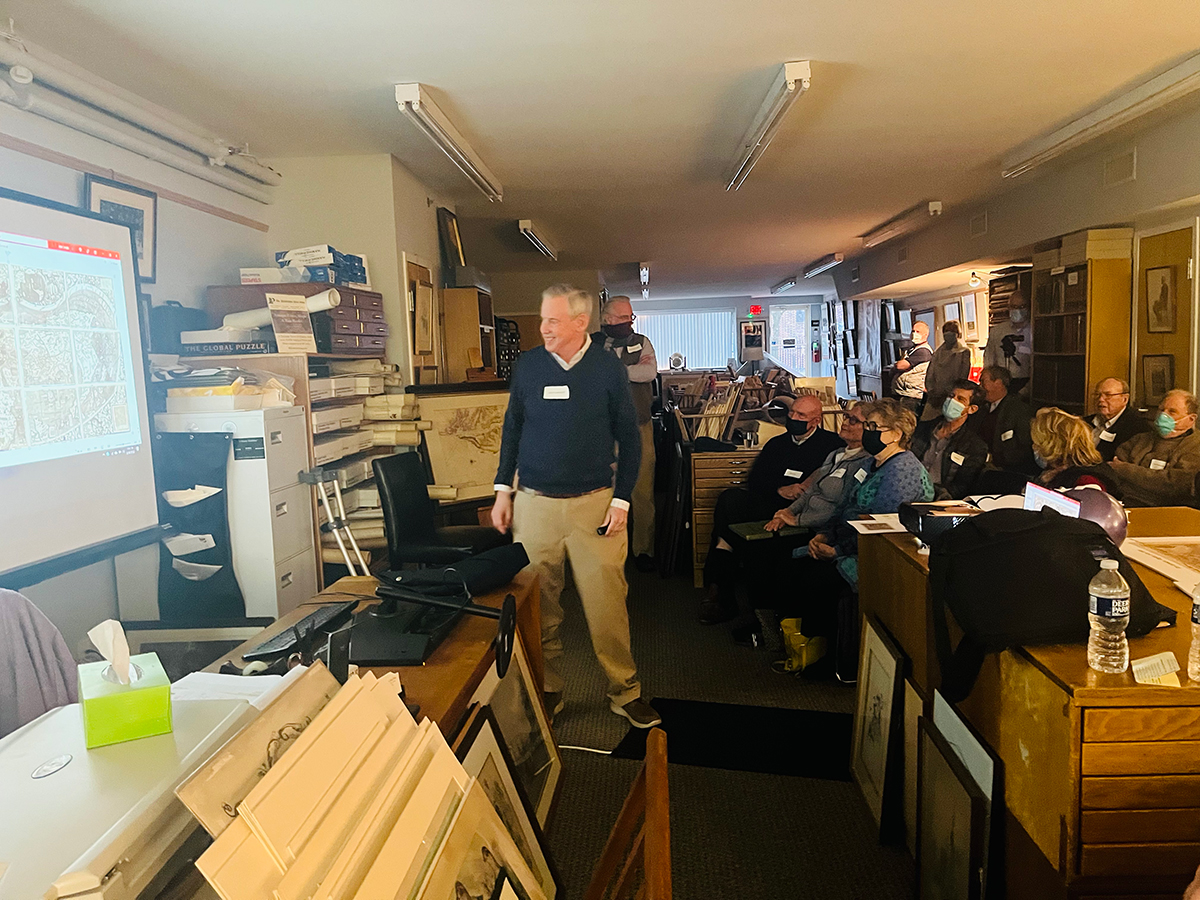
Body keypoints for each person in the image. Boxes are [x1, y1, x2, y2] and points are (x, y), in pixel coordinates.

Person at [491, 283, 660, 729]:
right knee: (539, 608)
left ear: (579, 322)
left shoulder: (606, 369)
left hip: (595, 507)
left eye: (552, 320)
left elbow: (630, 439)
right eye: (543, 318)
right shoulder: (528, 366)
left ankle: (625, 691)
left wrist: (622, 500)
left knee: (607, 607)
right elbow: (512, 429)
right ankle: (550, 689)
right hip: (534, 507)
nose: (543, 327)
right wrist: (502, 491)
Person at [755, 400, 934, 649]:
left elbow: (878, 527)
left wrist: (836, 551)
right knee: (787, 565)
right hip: (844, 540)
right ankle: (792, 642)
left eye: (874, 426)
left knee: (813, 578)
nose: (867, 432)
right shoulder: (869, 463)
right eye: (868, 425)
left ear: (896, 434)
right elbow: (843, 509)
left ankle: (821, 653)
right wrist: (825, 537)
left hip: (874, 554)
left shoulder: (902, 471)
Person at [699, 394, 844, 625]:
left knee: (724, 534)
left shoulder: (832, 445)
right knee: (729, 498)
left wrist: (798, 494)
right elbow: (756, 480)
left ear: (816, 421)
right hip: (770, 501)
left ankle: (720, 593)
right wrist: (780, 490)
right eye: (792, 413)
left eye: (801, 415)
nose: (793, 418)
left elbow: (826, 487)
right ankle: (723, 584)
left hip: (800, 511)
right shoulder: (777, 443)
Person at [596, 295, 658, 572]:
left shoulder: (642, 341)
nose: (628, 323)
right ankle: (607, 551)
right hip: (601, 432)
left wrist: (616, 371)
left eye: (630, 317)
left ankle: (643, 550)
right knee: (602, 492)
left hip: (639, 426)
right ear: (607, 319)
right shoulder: (593, 344)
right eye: (623, 318)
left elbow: (649, 373)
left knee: (642, 492)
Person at [764, 402, 872, 533]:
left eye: (853, 420)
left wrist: (796, 521)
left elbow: (842, 507)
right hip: (804, 519)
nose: (845, 423)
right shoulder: (836, 453)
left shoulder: (865, 462)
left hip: (821, 529)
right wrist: (785, 513)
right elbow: (810, 491)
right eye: (846, 417)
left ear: (870, 428)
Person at [1108, 389, 1200, 507]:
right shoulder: (1140, 439)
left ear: (1190, 419)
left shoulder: (1196, 446)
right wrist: (1152, 478)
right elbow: (1113, 469)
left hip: (1168, 511)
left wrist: (1125, 469)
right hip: (1124, 503)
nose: (1163, 415)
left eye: (1172, 412)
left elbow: (1175, 484)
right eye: (1161, 410)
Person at [910, 379, 989, 499]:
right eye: (951, 396)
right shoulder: (921, 429)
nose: (952, 401)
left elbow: (962, 486)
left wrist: (935, 493)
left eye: (960, 399)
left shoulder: (974, 446)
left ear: (971, 409)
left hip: (939, 501)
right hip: (909, 490)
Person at [1030, 406, 1123, 494]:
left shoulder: (1086, 482)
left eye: (1038, 443)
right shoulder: (1054, 473)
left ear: (1055, 445)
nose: (1034, 447)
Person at [971, 365, 1037, 476]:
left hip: (1005, 472)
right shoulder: (980, 409)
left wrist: (994, 459)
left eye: (983, 382)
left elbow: (1024, 448)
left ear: (998, 383)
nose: (980, 387)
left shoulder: (1019, 410)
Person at [983, 289, 1032, 398]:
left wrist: (1027, 389)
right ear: (1008, 308)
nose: (1017, 310)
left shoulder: (1034, 331)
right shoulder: (998, 331)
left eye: (1022, 307)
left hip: (1026, 383)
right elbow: (989, 361)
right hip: (1000, 384)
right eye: (1014, 307)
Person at [920, 320, 971, 421]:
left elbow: (962, 377)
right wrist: (932, 392)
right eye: (947, 331)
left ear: (958, 334)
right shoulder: (937, 353)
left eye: (952, 331)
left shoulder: (963, 352)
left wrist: (949, 394)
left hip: (951, 397)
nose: (949, 334)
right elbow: (930, 375)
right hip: (934, 398)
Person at [1091, 377, 1151, 462]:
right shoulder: (1085, 422)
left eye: (1108, 395)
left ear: (1125, 399)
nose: (1100, 399)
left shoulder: (1137, 427)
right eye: (1097, 394)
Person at [891, 321, 932, 413]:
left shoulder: (923, 351)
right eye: (913, 331)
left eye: (918, 332)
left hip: (911, 396)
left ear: (926, 335)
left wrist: (896, 367)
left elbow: (900, 365)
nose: (914, 334)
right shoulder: (911, 349)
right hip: (902, 394)